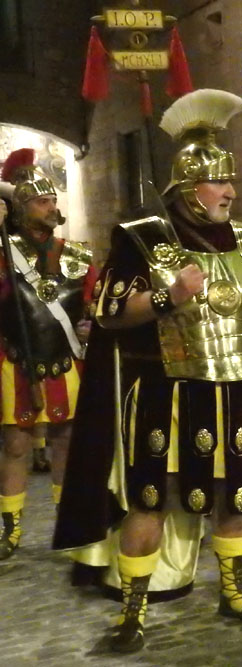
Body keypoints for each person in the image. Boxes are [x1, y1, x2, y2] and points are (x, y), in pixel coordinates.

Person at [54, 89, 242, 653]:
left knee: (237, 498)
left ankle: (235, 592)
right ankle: (132, 612)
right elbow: (110, 312)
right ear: (187, 185)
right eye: (217, 181)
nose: (230, 191)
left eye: (230, 181)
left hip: (238, 387)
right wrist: (168, 296)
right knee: (152, 499)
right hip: (167, 391)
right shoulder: (143, 239)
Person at [0, 149, 94, 560]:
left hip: (64, 359)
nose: (52, 207)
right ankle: (11, 530)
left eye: (53, 200)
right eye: (42, 202)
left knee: (66, 441)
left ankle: (66, 522)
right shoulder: (3, 254)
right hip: (15, 360)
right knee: (16, 444)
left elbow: (92, 306)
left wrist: (91, 324)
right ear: (22, 209)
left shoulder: (77, 255)